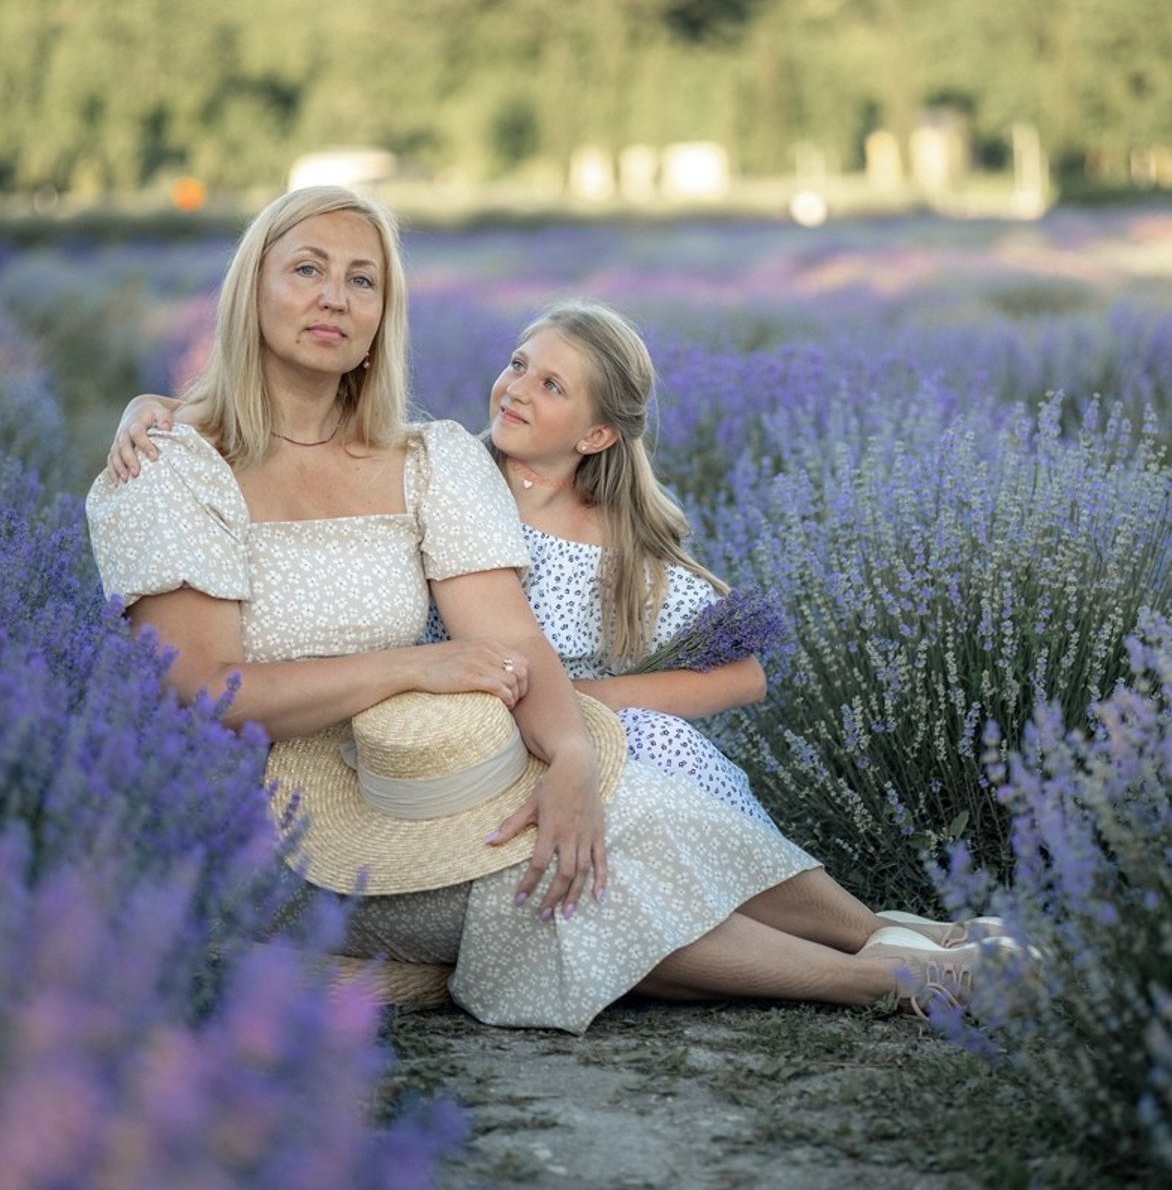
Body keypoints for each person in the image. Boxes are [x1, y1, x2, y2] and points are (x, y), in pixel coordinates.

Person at [88, 184, 1022, 1035]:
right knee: (551, 878)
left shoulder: (427, 459)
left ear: (382, 320)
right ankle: (895, 985)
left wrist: (574, 757)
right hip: (272, 829)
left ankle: (891, 937)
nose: (335, 297)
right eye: (307, 270)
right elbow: (203, 689)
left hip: (435, 779)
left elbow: (510, 636)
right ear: (252, 289)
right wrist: (415, 666)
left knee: (633, 804)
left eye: (362, 281)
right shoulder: (173, 468)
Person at [110, 301, 776, 825]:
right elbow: (306, 433)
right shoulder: (450, 473)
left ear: (596, 434)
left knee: (663, 760)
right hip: (443, 751)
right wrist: (157, 408)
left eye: (551, 386)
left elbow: (742, 676)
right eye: (517, 365)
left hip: (568, 747)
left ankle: (859, 942)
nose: (517, 390)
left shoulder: (615, 548)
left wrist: (584, 705)